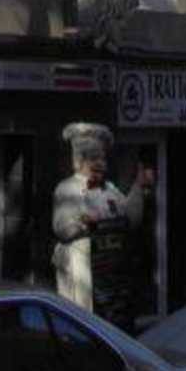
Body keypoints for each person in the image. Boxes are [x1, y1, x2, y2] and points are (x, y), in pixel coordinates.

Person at [52, 123, 152, 323]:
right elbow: (61, 228)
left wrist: (138, 187)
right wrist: (82, 223)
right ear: (79, 161)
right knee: (85, 323)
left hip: (113, 275)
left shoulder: (110, 190)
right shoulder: (67, 188)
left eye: (102, 158)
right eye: (93, 159)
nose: (100, 164)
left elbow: (131, 219)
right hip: (85, 274)